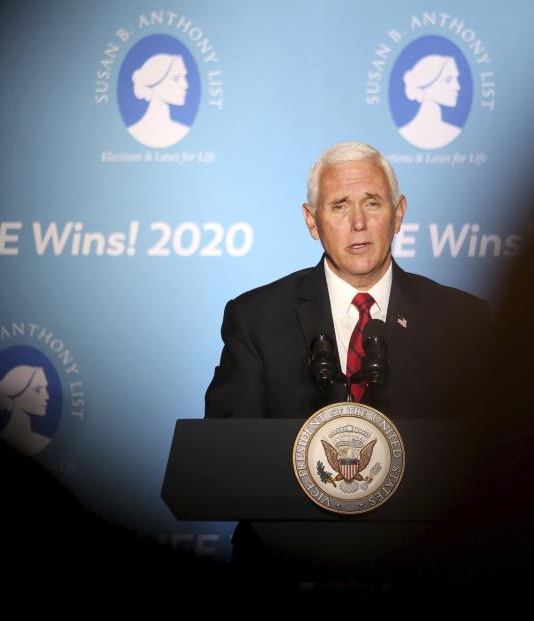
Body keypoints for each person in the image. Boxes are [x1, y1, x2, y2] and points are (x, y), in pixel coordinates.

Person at [204, 141, 490, 584]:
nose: (358, 223)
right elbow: (229, 453)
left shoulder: (462, 319)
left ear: (398, 214)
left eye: (372, 203)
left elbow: (488, 458)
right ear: (311, 222)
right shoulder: (255, 317)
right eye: (339, 206)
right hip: (288, 567)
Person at [398, 55, 462, 149]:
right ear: (426, 84)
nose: (457, 87)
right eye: (448, 80)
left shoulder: (454, 131)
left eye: (456, 79)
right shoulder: (406, 132)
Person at [127, 53, 190, 148]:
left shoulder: (183, 131)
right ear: (154, 82)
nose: (185, 85)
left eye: (184, 77)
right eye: (176, 78)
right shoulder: (135, 131)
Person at [0, 365, 51, 456]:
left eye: (45, 388)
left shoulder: (44, 441)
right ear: (15, 394)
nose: (47, 396)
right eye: (37, 389)